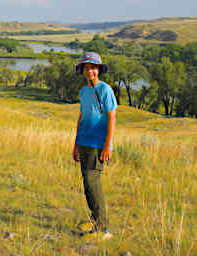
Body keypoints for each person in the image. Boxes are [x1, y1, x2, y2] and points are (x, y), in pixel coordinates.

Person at [73, 52, 117, 239]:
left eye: (93, 67)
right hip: (83, 143)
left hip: (97, 145)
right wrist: (75, 144)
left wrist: (107, 146)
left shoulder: (105, 89)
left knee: (93, 183)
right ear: (82, 70)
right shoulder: (84, 91)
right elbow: (81, 117)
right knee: (87, 184)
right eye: (86, 67)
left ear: (98, 69)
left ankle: (104, 228)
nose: (89, 70)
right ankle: (95, 222)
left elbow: (112, 117)